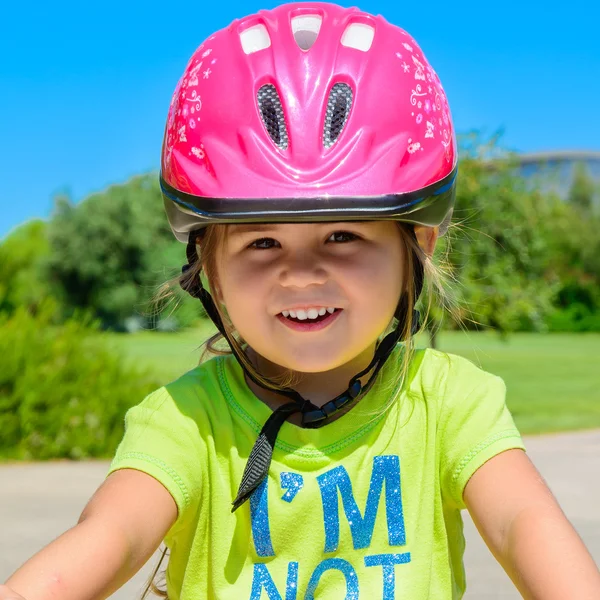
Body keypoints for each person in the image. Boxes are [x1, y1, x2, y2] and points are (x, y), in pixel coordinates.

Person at [3, 2, 600, 599]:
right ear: (205, 264)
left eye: (343, 235)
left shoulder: (446, 405)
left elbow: (526, 523)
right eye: (262, 241)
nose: (301, 273)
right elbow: (109, 537)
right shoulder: (187, 423)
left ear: (416, 244)